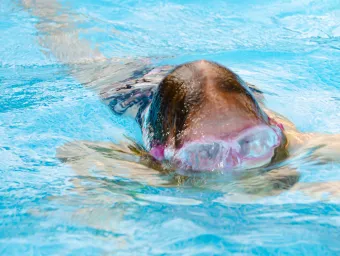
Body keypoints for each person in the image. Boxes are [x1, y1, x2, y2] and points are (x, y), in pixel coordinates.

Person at [23, 0, 340, 199]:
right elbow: (76, 152)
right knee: (72, 49)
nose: (235, 167)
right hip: (135, 88)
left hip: (225, 98)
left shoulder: (283, 138)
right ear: (166, 154)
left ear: (272, 132)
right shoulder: (155, 166)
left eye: (251, 145)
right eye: (206, 154)